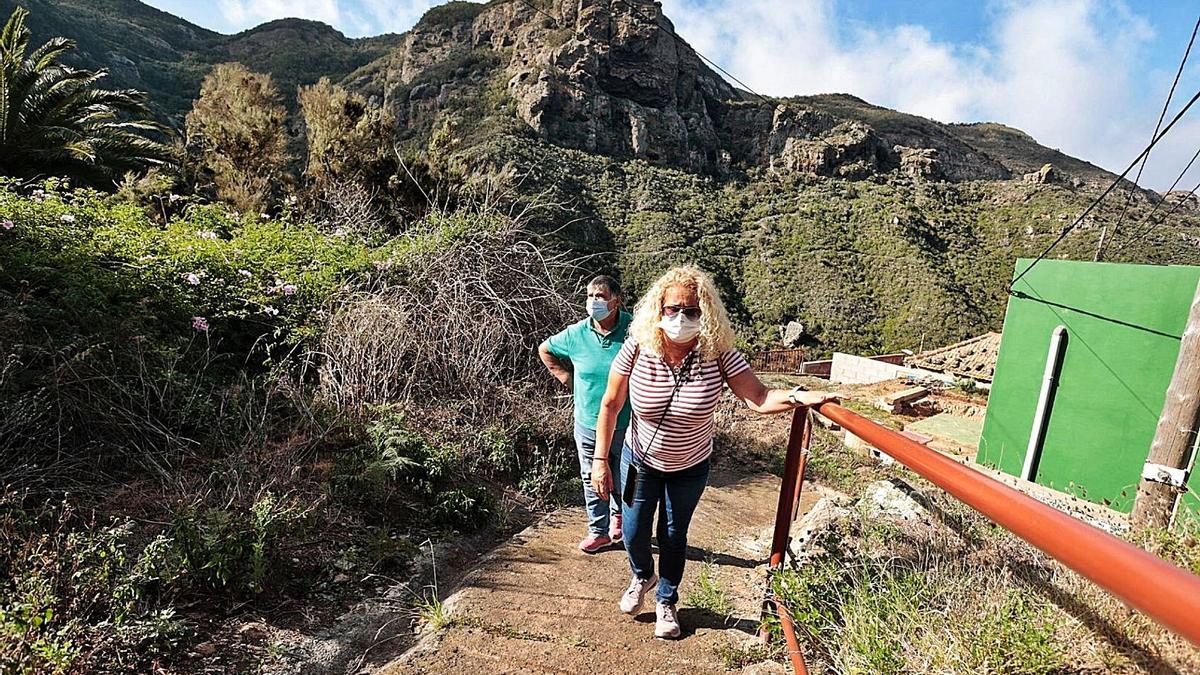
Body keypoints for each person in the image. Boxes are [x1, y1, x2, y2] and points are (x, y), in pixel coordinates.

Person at [590, 265, 839, 639]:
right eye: (673, 309)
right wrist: (599, 461)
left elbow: (758, 396)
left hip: (689, 466)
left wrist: (799, 397)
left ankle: (666, 601)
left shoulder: (718, 354)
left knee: (674, 535)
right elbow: (610, 404)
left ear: (704, 314)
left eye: (691, 311)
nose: (681, 318)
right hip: (640, 460)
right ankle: (642, 575)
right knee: (633, 531)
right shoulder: (637, 347)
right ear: (659, 310)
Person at [539, 275, 634, 553]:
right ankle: (598, 530)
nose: (594, 301)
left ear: (616, 301)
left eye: (601, 296)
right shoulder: (576, 333)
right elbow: (545, 349)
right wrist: (566, 378)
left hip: (627, 422)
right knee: (592, 475)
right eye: (590, 296)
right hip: (588, 421)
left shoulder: (634, 329)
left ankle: (620, 520)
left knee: (623, 475)